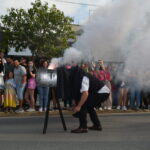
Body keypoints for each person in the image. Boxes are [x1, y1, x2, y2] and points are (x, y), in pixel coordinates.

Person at [70, 66, 110, 133]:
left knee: (83, 104)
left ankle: (83, 127)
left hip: (103, 92)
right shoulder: (82, 76)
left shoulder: (84, 78)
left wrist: (79, 106)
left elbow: (85, 93)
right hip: (101, 92)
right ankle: (97, 125)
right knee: (89, 107)